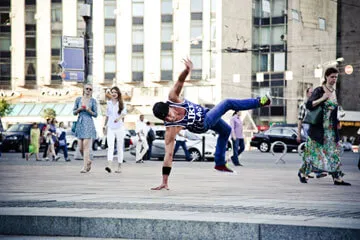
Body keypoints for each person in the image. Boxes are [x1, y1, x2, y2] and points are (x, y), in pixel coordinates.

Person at [151, 58, 271, 190]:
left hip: (207, 113)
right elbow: (168, 155)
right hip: (203, 124)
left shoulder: (173, 98)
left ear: (169, 107)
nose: (171, 118)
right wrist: (165, 181)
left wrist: (186, 70)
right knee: (227, 103)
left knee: (226, 130)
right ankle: (260, 101)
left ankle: (219, 163)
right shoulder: (171, 129)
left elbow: (180, 81)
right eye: (167, 119)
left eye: (169, 114)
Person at [298, 67, 351, 185]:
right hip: (319, 129)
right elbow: (309, 105)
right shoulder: (319, 90)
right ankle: (303, 172)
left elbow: (334, 111)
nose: (334, 79)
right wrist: (322, 98)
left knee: (334, 153)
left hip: (331, 130)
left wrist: (338, 121)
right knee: (313, 153)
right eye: (332, 76)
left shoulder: (334, 92)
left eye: (336, 77)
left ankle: (337, 178)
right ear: (326, 77)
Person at [73, 83, 98, 173]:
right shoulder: (78, 99)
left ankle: (84, 167)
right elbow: (74, 112)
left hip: (88, 122)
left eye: (90, 89)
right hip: (80, 122)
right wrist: (79, 109)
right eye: (87, 88)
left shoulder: (93, 101)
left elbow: (96, 114)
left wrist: (89, 110)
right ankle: (88, 161)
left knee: (86, 147)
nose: (88, 90)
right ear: (83, 89)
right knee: (80, 147)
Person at [104, 86, 126, 173]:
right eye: (112, 92)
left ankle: (119, 167)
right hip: (110, 127)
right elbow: (107, 115)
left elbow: (124, 114)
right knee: (110, 146)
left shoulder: (122, 103)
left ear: (118, 94)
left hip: (119, 127)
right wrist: (104, 126)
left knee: (119, 147)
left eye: (115, 92)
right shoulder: (108, 103)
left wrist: (118, 118)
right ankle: (109, 165)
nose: (113, 93)